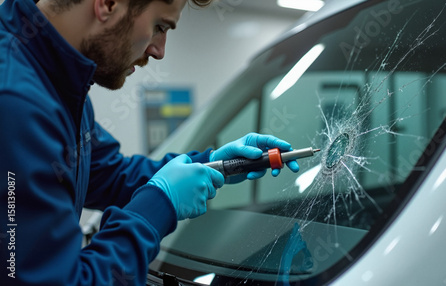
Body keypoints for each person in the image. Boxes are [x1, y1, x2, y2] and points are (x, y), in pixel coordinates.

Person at [0, 0, 299, 284]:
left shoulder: (54, 84)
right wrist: (161, 203)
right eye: (160, 26)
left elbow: (110, 176)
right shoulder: (16, 104)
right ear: (108, 4)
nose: (159, 51)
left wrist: (211, 164)